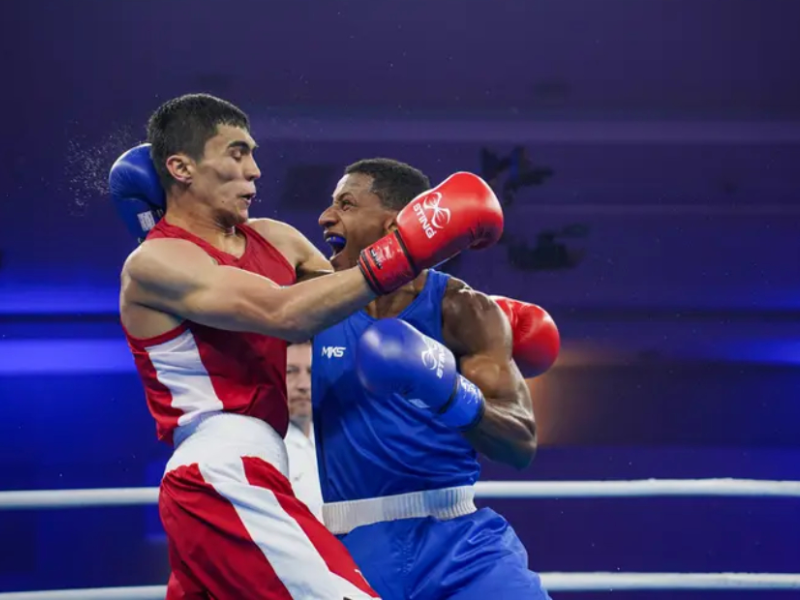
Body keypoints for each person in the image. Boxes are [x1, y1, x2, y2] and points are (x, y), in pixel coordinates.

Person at [108, 93, 504, 600]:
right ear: (181, 167)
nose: (254, 170)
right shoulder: (156, 262)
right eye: (235, 153)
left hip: (267, 463)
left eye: (252, 153)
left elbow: (352, 304)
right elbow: (283, 312)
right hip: (222, 465)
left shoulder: (276, 238)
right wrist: (402, 250)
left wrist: (476, 312)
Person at [313, 158, 559, 600]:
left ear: (393, 226)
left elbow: (521, 443)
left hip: (460, 543)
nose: (326, 217)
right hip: (347, 549)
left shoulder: (464, 311)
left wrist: (448, 392)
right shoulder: (310, 301)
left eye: (346, 204)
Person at [285, 340, 324, 521]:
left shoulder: (336, 441)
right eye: (290, 372)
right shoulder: (264, 447)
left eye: (311, 372)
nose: (303, 385)